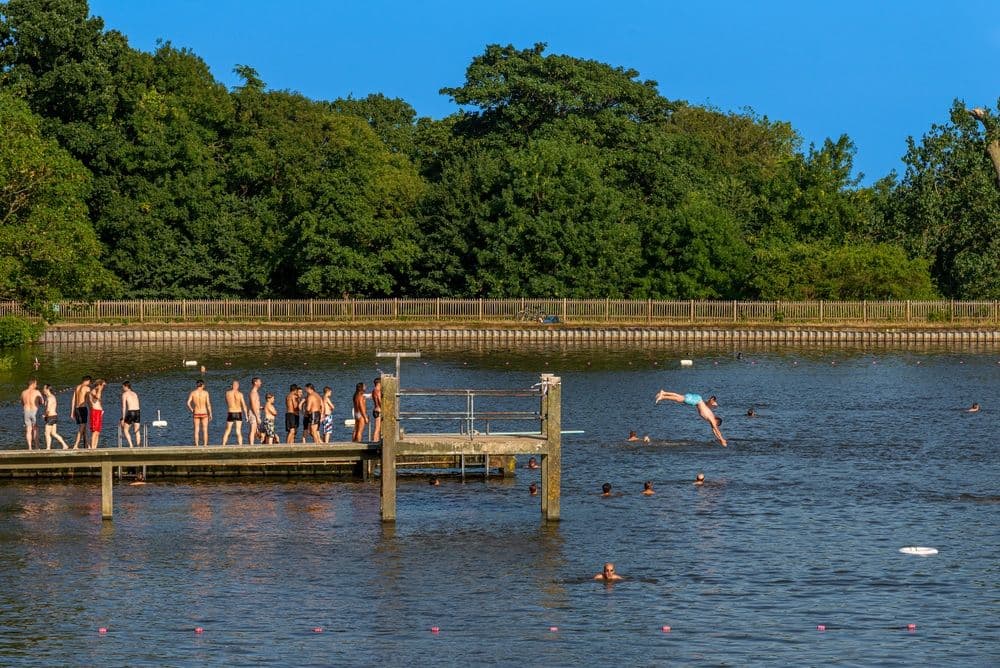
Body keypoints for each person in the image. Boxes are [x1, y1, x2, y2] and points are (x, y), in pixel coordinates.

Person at [654, 390, 727, 446]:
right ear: (717, 421)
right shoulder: (712, 419)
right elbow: (717, 430)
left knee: (679, 397)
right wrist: (722, 439)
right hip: (697, 400)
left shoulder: (711, 418)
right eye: (716, 424)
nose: (715, 425)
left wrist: (719, 439)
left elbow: (714, 430)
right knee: (679, 399)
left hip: (697, 398)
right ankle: (663, 397)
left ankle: (663, 392)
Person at [41, 384, 68, 450]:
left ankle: (48, 448)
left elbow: (48, 409)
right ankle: (64, 445)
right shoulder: (51, 397)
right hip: (54, 417)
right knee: (53, 433)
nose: (43, 390)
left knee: (46, 433)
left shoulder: (50, 398)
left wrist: (44, 415)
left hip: (51, 417)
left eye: (44, 388)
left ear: (47, 389)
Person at [222, 380, 248, 446]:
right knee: (238, 431)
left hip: (231, 412)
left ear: (232, 386)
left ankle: (223, 445)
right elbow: (244, 405)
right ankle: (240, 445)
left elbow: (227, 402)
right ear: (237, 386)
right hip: (238, 412)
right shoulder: (240, 394)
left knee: (228, 430)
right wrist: (246, 415)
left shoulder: (227, 393)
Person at [187, 379, 212, 446]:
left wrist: (192, 410)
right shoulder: (206, 393)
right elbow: (208, 404)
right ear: (202, 385)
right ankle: (205, 445)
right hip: (204, 412)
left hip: (196, 412)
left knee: (196, 430)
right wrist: (210, 414)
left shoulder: (193, 393)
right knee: (205, 430)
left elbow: (188, 403)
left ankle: (197, 445)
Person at [20, 379, 43, 449]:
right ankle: (36, 446)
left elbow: (22, 403)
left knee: (28, 429)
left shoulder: (23, 392)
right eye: (36, 384)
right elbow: (42, 402)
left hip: (26, 411)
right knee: (35, 429)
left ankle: (30, 447)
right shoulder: (37, 392)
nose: (36, 385)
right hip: (34, 411)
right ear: (33, 384)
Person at [71, 375, 92, 449]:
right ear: (88, 381)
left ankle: (87, 445)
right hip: (82, 408)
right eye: (89, 382)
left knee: (84, 428)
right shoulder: (87, 388)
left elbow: (73, 400)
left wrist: (72, 412)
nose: (90, 383)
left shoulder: (77, 387)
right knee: (82, 427)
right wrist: (91, 408)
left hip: (77, 408)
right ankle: (76, 445)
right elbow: (89, 400)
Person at [120, 381, 141, 447]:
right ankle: (138, 445)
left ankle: (131, 445)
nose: (122, 388)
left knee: (125, 429)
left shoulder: (125, 394)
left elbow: (124, 407)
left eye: (123, 387)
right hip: (137, 412)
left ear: (126, 386)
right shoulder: (135, 393)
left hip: (131, 412)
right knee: (137, 430)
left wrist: (123, 418)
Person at [88, 379, 106, 449]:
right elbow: (96, 398)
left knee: (98, 431)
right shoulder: (93, 391)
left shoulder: (98, 391)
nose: (103, 387)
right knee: (95, 431)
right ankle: (92, 447)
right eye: (102, 386)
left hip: (99, 412)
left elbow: (99, 402)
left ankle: (95, 447)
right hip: (95, 412)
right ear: (99, 385)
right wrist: (100, 390)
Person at [247, 377, 263, 444]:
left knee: (255, 430)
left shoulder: (255, 392)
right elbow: (253, 405)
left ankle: (252, 444)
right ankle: (251, 445)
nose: (261, 383)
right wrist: (257, 417)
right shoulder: (253, 392)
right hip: (253, 413)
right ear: (255, 383)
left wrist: (260, 407)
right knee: (253, 430)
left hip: (256, 412)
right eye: (259, 381)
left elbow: (255, 404)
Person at [371, 377, 383, 442]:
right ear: (378, 383)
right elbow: (379, 400)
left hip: (375, 409)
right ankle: (375, 442)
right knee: (377, 428)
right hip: (378, 411)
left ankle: (376, 441)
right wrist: (384, 408)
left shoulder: (373, 391)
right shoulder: (378, 391)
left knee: (377, 428)